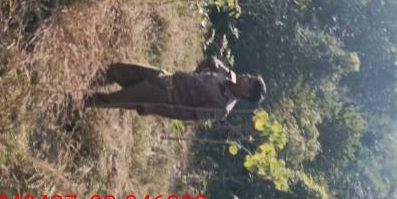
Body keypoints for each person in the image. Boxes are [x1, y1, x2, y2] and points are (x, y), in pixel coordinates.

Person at [86, 56, 266, 121]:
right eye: (249, 77)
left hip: (162, 97)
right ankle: (85, 80)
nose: (246, 76)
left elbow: (185, 114)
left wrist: (152, 109)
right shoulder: (229, 76)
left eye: (249, 81)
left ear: (246, 93)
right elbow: (212, 60)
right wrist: (195, 74)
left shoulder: (222, 108)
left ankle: (78, 101)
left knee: (112, 100)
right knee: (117, 70)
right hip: (166, 77)